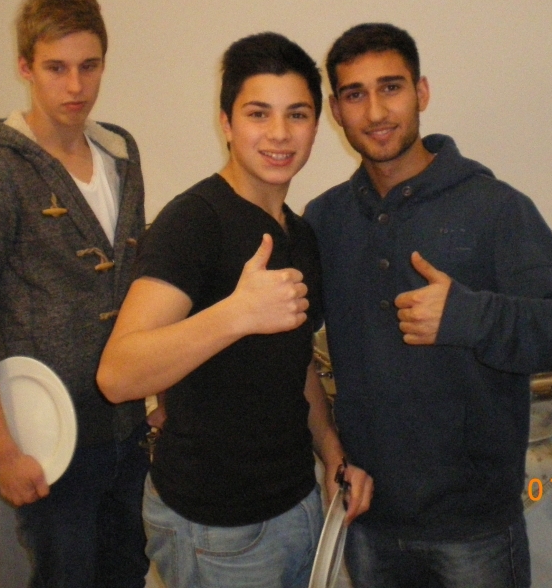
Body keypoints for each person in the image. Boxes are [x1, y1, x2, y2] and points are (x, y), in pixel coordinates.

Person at [304, 23, 552, 588]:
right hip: (369, 518)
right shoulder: (325, 220)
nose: (376, 112)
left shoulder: (494, 208)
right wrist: (330, 449)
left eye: (391, 88)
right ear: (336, 110)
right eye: (355, 94)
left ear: (421, 92)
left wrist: (471, 316)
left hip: (476, 527)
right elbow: (288, 344)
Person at [96, 31, 371, 588]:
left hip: (296, 503)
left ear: (317, 126)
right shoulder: (194, 222)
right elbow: (118, 375)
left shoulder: (300, 235)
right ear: (226, 123)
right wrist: (236, 314)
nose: (279, 133)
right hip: (215, 528)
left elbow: (295, 362)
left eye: (297, 115)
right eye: (257, 113)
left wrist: (331, 450)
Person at [0, 0, 149, 588]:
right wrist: (4, 449)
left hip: (127, 427)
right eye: (56, 68)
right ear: (25, 67)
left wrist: (158, 392)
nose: (75, 86)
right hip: (49, 437)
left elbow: (137, 282)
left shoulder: (121, 153)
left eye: (89, 66)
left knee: (128, 577)